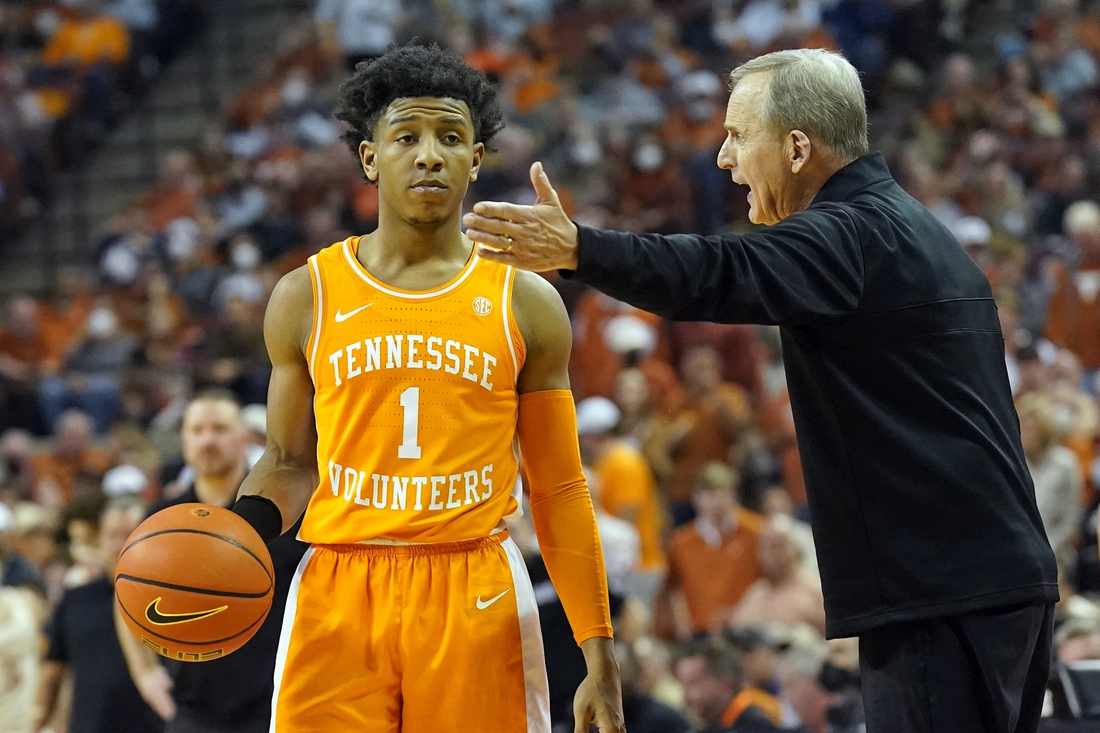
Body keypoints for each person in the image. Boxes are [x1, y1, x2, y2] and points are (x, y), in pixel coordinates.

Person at [465, 47, 1058, 732]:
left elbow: (719, 269)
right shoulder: (914, 231)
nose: (724, 158)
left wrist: (580, 249)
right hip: (991, 580)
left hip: (942, 590)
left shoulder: (851, 234)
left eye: (739, 136)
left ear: (799, 147)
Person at [221, 44, 622, 732]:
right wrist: (240, 533)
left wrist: (600, 652)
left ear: (477, 158)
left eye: (450, 138)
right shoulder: (304, 295)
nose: (429, 155)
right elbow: (288, 463)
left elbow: (557, 486)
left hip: (476, 585)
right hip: (339, 588)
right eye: (406, 137)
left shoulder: (524, 302)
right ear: (370, 158)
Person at [114, 391, 308, 733]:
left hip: (277, 701)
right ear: (184, 440)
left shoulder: (284, 513)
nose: (207, 440)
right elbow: (127, 591)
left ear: (245, 437)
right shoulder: (162, 518)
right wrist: (143, 672)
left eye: (219, 429)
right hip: (192, 707)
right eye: (197, 430)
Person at [36, 495, 162, 733]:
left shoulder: (172, 604)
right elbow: (52, 671)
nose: (120, 545)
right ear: (100, 540)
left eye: (129, 534)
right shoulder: (75, 598)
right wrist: (37, 722)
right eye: (112, 535)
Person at [661, 461, 763, 640]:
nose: (716, 501)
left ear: (734, 495)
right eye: (709, 493)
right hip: (699, 631)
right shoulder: (681, 542)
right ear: (696, 497)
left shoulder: (755, 532)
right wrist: (681, 623)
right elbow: (672, 589)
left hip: (746, 628)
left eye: (723, 493)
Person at [730, 516, 826, 635]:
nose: (769, 555)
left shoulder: (815, 593)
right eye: (764, 547)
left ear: (795, 550)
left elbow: (840, 645)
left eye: (777, 547)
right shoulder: (755, 593)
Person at [674, 636, 782, 732]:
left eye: (694, 684)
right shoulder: (711, 725)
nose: (686, 696)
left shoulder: (755, 724)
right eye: (683, 686)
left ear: (724, 683)